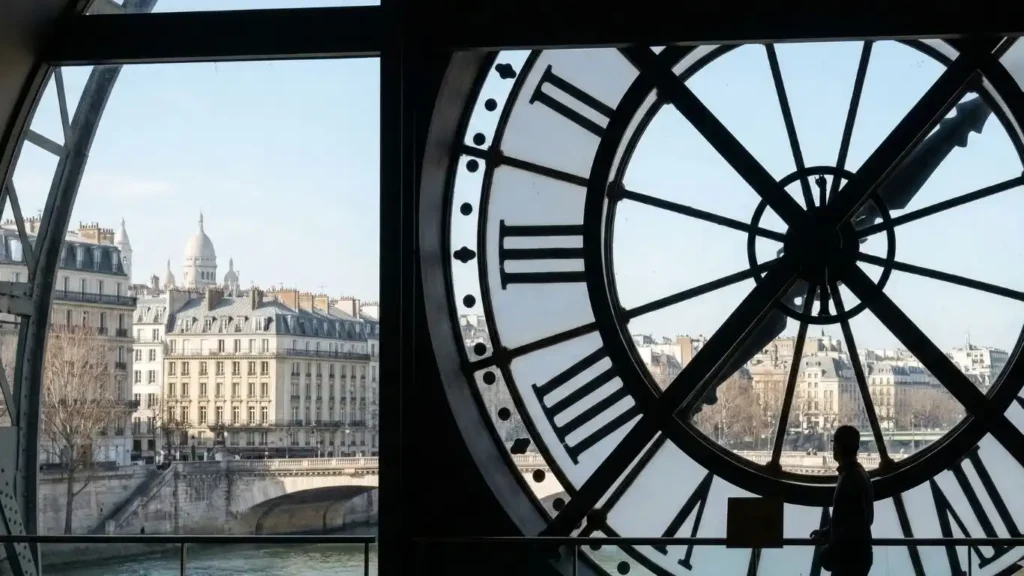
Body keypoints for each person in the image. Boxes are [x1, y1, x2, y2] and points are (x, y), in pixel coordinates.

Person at [810, 425, 874, 576]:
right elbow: (856, 520)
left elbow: (846, 525)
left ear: (837, 447)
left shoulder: (848, 478)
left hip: (847, 559)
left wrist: (828, 548)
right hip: (857, 556)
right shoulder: (859, 475)